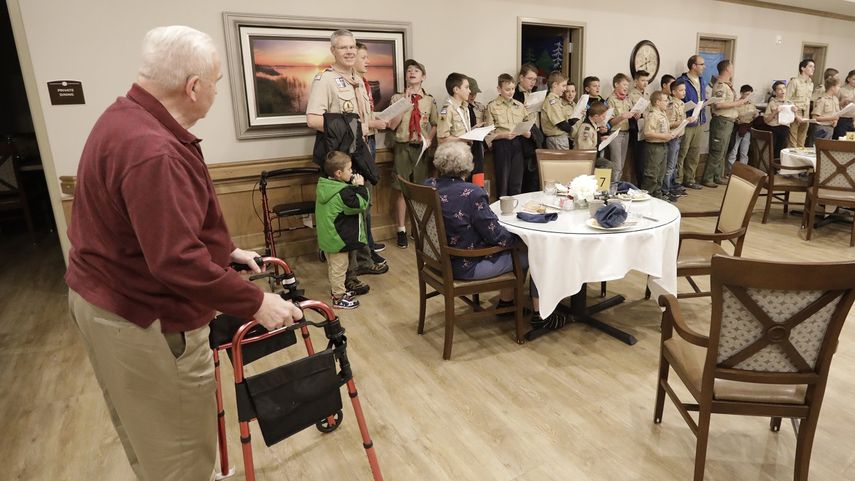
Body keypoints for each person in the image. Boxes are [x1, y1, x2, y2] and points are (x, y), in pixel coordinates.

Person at [65, 26, 304, 481]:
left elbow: (155, 222)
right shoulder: (154, 150)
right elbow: (173, 259)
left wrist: (225, 250)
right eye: (216, 80)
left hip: (103, 299)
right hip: (141, 317)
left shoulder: (126, 117)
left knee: (150, 436)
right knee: (178, 453)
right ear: (193, 87)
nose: (216, 90)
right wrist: (258, 302)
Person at [425, 141, 563, 328]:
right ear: (467, 165)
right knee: (536, 251)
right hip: (465, 265)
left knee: (519, 246)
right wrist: (520, 238)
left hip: (437, 260)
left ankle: (507, 302)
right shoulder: (472, 193)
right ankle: (542, 316)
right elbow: (495, 236)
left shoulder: (429, 185)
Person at [306, 29, 387, 295]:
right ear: (333, 51)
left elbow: (362, 119)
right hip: (341, 161)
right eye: (344, 48)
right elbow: (313, 120)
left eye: (352, 46)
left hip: (360, 154)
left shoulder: (357, 79)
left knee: (361, 211)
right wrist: (353, 126)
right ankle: (347, 278)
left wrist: (365, 126)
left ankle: (358, 265)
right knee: (346, 218)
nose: (350, 51)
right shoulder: (325, 80)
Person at [387, 59, 437, 249]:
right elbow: (391, 125)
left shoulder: (429, 99)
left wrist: (430, 139)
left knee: (420, 190)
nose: (412, 73)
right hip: (402, 147)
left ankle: (418, 227)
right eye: (409, 70)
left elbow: (434, 123)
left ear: (423, 77)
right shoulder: (396, 98)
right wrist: (403, 103)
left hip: (421, 148)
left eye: (416, 70)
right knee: (400, 189)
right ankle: (401, 229)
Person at [316, 151, 370, 309]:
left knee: (333, 267)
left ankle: (337, 290)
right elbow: (361, 204)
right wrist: (360, 187)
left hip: (328, 237)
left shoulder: (326, 185)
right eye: (350, 169)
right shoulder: (343, 193)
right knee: (340, 268)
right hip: (338, 238)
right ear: (339, 173)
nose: (352, 172)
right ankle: (338, 298)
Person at [354, 42, 389, 262]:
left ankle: (369, 241)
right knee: (360, 198)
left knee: (368, 197)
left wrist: (376, 121)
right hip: (358, 146)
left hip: (370, 143)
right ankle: (365, 249)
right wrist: (373, 125)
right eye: (364, 57)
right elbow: (352, 123)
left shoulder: (364, 84)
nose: (368, 61)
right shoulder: (348, 85)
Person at [702, 60, 748, 188]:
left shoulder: (728, 85)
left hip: (728, 121)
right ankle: (708, 177)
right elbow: (718, 104)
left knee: (723, 150)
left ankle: (718, 175)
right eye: (732, 67)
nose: (733, 69)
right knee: (717, 150)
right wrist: (739, 103)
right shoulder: (721, 85)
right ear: (727, 69)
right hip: (721, 121)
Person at [485, 73, 532, 197]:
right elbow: (488, 134)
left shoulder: (520, 106)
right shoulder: (492, 106)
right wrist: (503, 135)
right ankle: (502, 212)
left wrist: (527, 133)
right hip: (502, 145)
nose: (510, 92)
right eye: (507, 89)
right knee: (503, 181)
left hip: (518, 144)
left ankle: (515, 211)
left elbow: (527, 124)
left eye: (512, 89)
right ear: (499, 89)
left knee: (516, 182)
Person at [675, 55, 707, 190]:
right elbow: (677, 99)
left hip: (699, 121)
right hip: (686, 122)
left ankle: (690, 179)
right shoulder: (682, 80)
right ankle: (677, 181)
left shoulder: (701, 80)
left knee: (694, 153)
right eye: (701, 64)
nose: (704, 67)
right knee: (682, 152)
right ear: (694, 66)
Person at [513, 64, 543, 193]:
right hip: (522, 137)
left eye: (535, 79)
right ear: (521, 78)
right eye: (530, 78)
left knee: (535, 175)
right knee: (523, 175)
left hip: (535, 134)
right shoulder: (514, 94)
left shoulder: (535, 93)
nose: (533, 82)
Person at [641, 91, 676, 199]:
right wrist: (664, 137)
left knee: (660, 174)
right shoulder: (652, 115)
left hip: (663, 145)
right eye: (665, 100)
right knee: (652, 175)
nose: (667, 102)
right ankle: (647, 197)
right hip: (654, 147)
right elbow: (647, 133)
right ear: (657, 102)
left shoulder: (662, 113)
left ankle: (658, 196)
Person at [606, 73, 635, 181]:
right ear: (616, 84)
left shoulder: (627, 99)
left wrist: (635, 114)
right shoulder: (611, 100)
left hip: (626, 133)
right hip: (615, 133)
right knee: (616, 165)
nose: (626, 87)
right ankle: (612, 189)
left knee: (622, 164)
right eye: (624, 85)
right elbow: (610, 122)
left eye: (627, 85)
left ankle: (617, 186)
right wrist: (622, 117)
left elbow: (631, 112)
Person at [541, 71, 579, 150]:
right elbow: (560, 123)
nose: (565, 89)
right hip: (557, 138)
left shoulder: (557, 100)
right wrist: (574, 132)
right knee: (562, 162)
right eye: (563, 86)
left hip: (560, 138)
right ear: (555, 85)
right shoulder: (552, 100)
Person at [663, 78, 687, 198]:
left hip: (679, 136)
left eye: (684, 90)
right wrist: (683, 122)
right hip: (672, 137)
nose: (684, 92)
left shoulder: (681, 103)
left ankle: (672, 186)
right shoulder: (671, 105)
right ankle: (665, 189)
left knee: (674, 164)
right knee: (670, 165)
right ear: (673, 92)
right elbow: (669, 123)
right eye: (681, 90)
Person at [726, 84, 758, 172]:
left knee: (744, 152)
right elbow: (733, 116)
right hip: (738, 128)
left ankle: (742, 172)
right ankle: (730, 171)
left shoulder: (752, 104)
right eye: (747, 94)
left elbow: (754, 115)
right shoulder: (736, 104)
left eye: (750, 95)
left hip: (747, 129)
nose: (748, 97)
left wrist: (755, 115)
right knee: (734, 151)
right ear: (741, 93)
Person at [785, 59, 815, 148]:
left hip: (805, 114)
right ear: (803, 68)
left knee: (802, 142)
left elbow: (808, 101)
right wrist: (796, 116)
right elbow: (787, 100)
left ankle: (799, 161)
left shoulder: (811, 84)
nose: (813, 69)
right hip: (794, 113)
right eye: (810, 66)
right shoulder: (794, 81)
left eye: (814, 67)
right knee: (792, 142)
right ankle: (790, 162)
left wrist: (807, 117)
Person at [628, 70, 650, 184]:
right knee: (639, 158)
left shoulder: (646, 94)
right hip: (636, 129)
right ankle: (640, 183)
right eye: (643, 80)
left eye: (647, 80)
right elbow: (631, 112)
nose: (645, 83)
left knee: (646, 158)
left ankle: (646, 182)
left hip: (646, 127)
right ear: (636, 82)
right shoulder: (631, 95)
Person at [466, 76, 488, 186]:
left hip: (478, 146)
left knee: (478, 175)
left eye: (475, 93)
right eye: (470, 93)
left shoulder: (480, 107)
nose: (473, 96)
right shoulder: (459, 109)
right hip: (465, 146)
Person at [764, 80, 794, 159]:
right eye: (779, 89)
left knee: (783, 150)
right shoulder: (772, 103)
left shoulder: (790, 103)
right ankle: (772, 167)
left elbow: (793, 119)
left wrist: (795, 112)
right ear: (775, 92)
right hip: (774, 128)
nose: (782, 91)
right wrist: (775, 112)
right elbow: (766, 120)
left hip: (785, 128)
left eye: (784, 88)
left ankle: (780, 167)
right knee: (773, 150)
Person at [835, 69, 855, 139]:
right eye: (854, 79)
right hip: (842, 119)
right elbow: (834, 104)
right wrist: (842, 102)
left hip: (852, 120)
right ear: (848, 79)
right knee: (841, 139)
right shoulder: (841, 90)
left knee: (850, 142)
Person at [561, 81, 581, 149]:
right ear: (563, 92)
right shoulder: (560, 105)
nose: (570, 94)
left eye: (573, 91)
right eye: (567, 91)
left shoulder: (576, 106)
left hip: (577, 140)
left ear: (575, 93)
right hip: (566, 139)